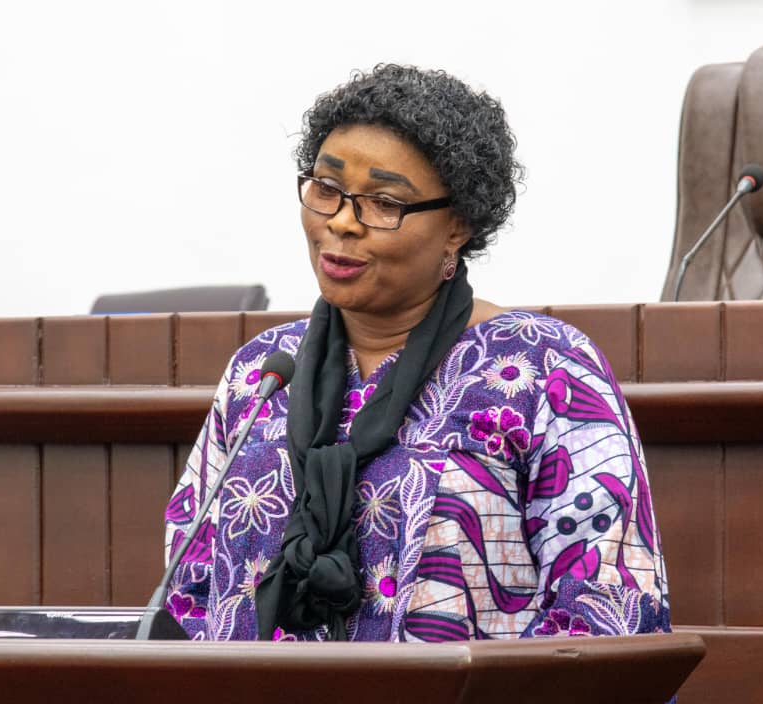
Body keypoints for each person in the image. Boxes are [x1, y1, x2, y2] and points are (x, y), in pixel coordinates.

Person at [163, 64, 669, 646]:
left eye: (383, 202)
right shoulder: (264, 371)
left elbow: (606, 604)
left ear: (458, 225)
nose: (342, 222)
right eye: (326, 190)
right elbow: (187, 586)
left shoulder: (543, 367)